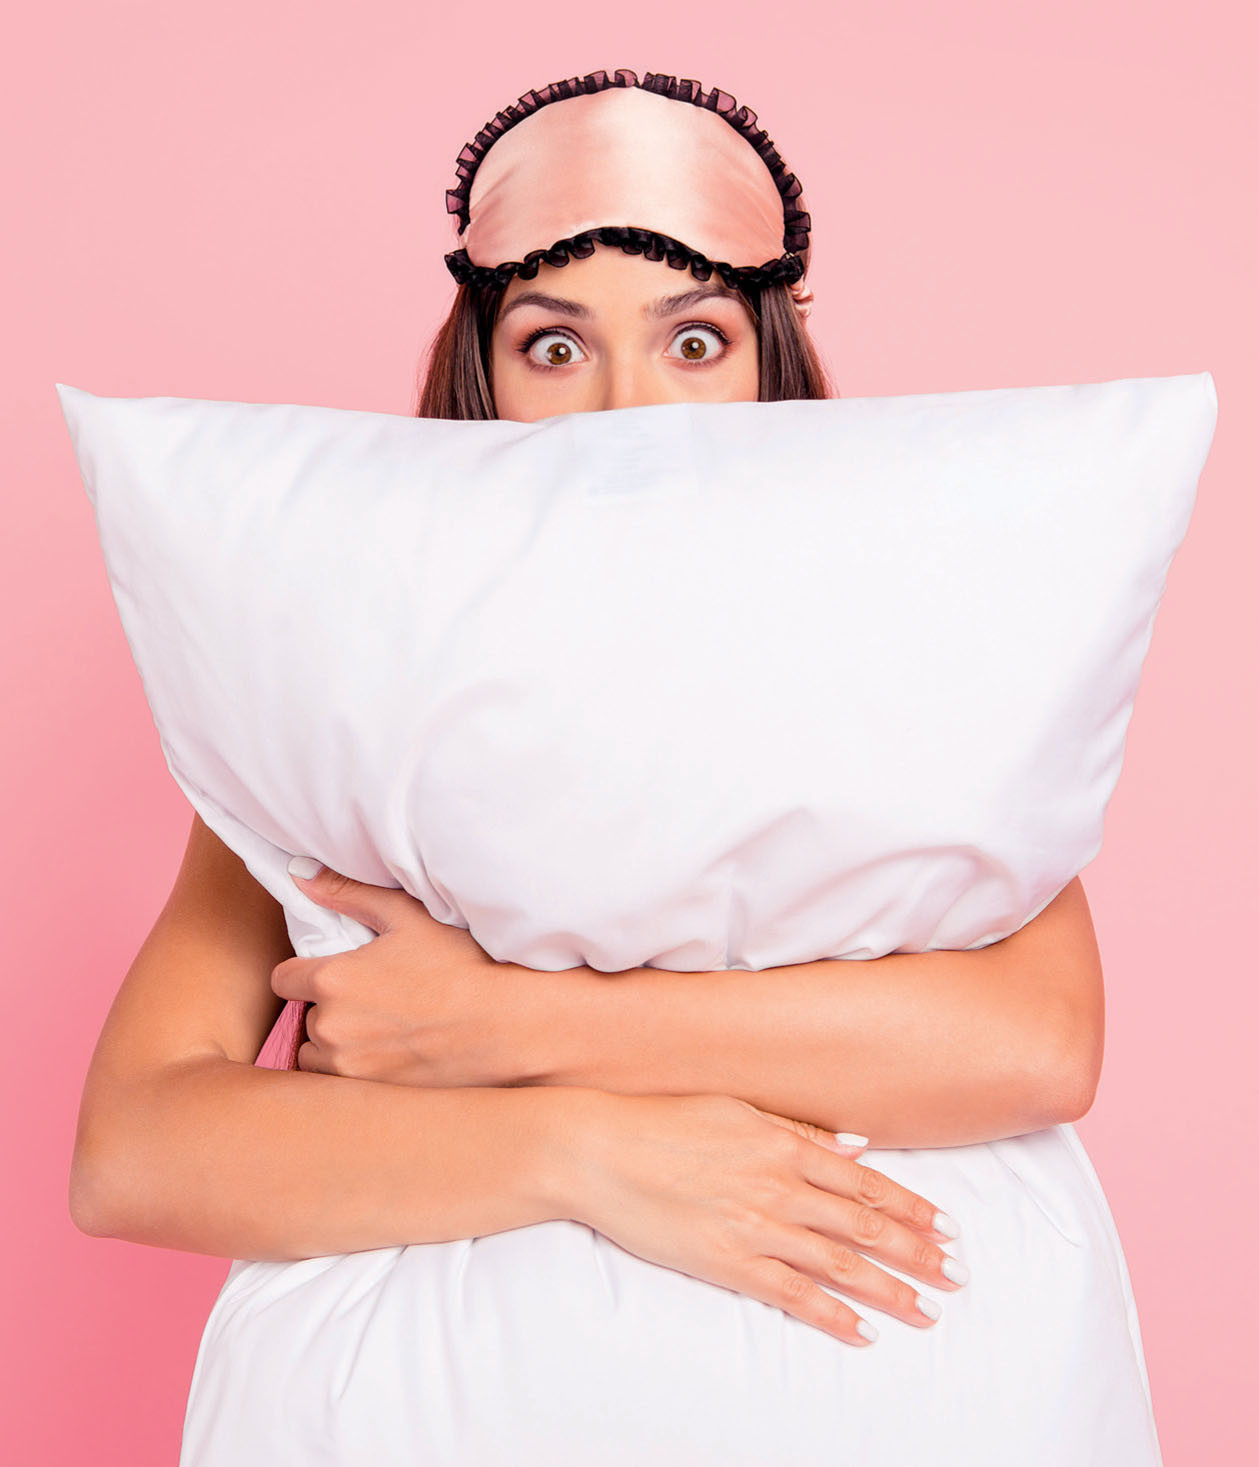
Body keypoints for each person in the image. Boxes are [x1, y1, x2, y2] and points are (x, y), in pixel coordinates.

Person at [70, 68, 1162, 1465]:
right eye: (555, 345)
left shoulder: (888, 652)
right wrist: (589, 1154)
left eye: (694, 340)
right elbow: (136, 1151)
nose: (631, 408)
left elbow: (1034, 1043)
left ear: (774, 365)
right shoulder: (341, 697)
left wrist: (508, 1027)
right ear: (482, 376)